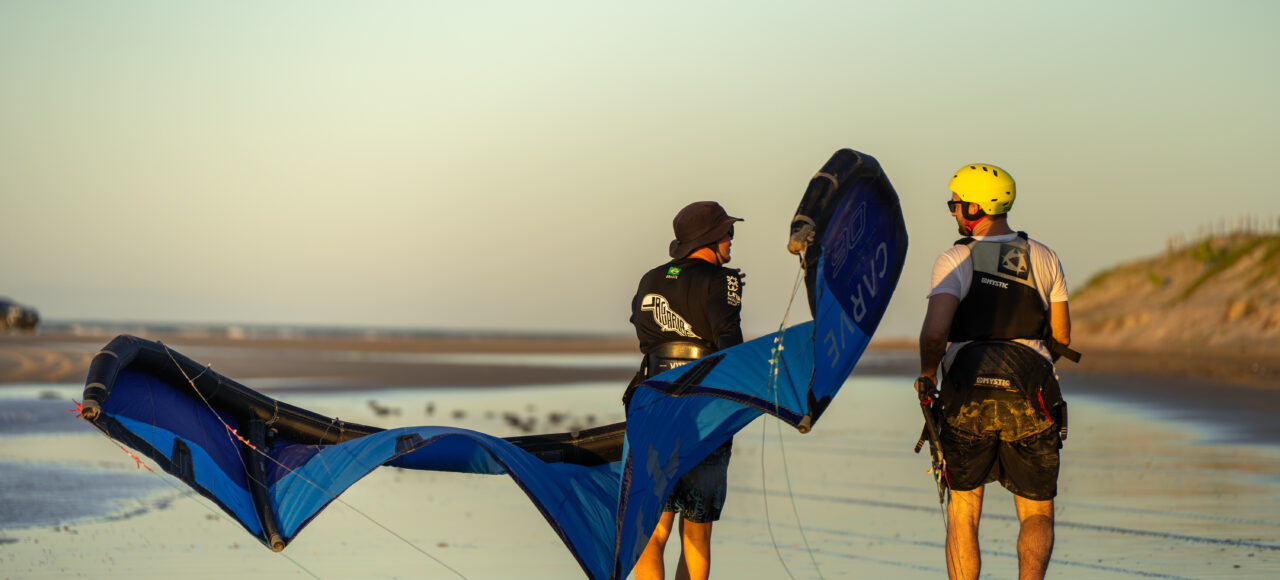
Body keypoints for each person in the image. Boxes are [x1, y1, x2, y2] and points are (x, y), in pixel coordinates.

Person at [917, 164, 1075, 580]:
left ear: (974, 207)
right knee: (1036, 512)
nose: (952, 211)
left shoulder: (956, 258)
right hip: (1031, 390)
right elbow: (1061, 336)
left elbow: (936, 333)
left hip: (967, 391)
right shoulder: (1044, 256)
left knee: (964, 511)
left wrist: (927, 373)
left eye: (955, 203)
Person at [629, 201, 744, 580]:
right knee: (696, 533)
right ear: (711, 239)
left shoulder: (650, 279)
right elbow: (730, 346)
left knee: (652, 530)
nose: (731, 241)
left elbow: (645, 332)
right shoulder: (723, 280)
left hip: (653, 405)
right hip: (702, 412)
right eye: (728, 233)